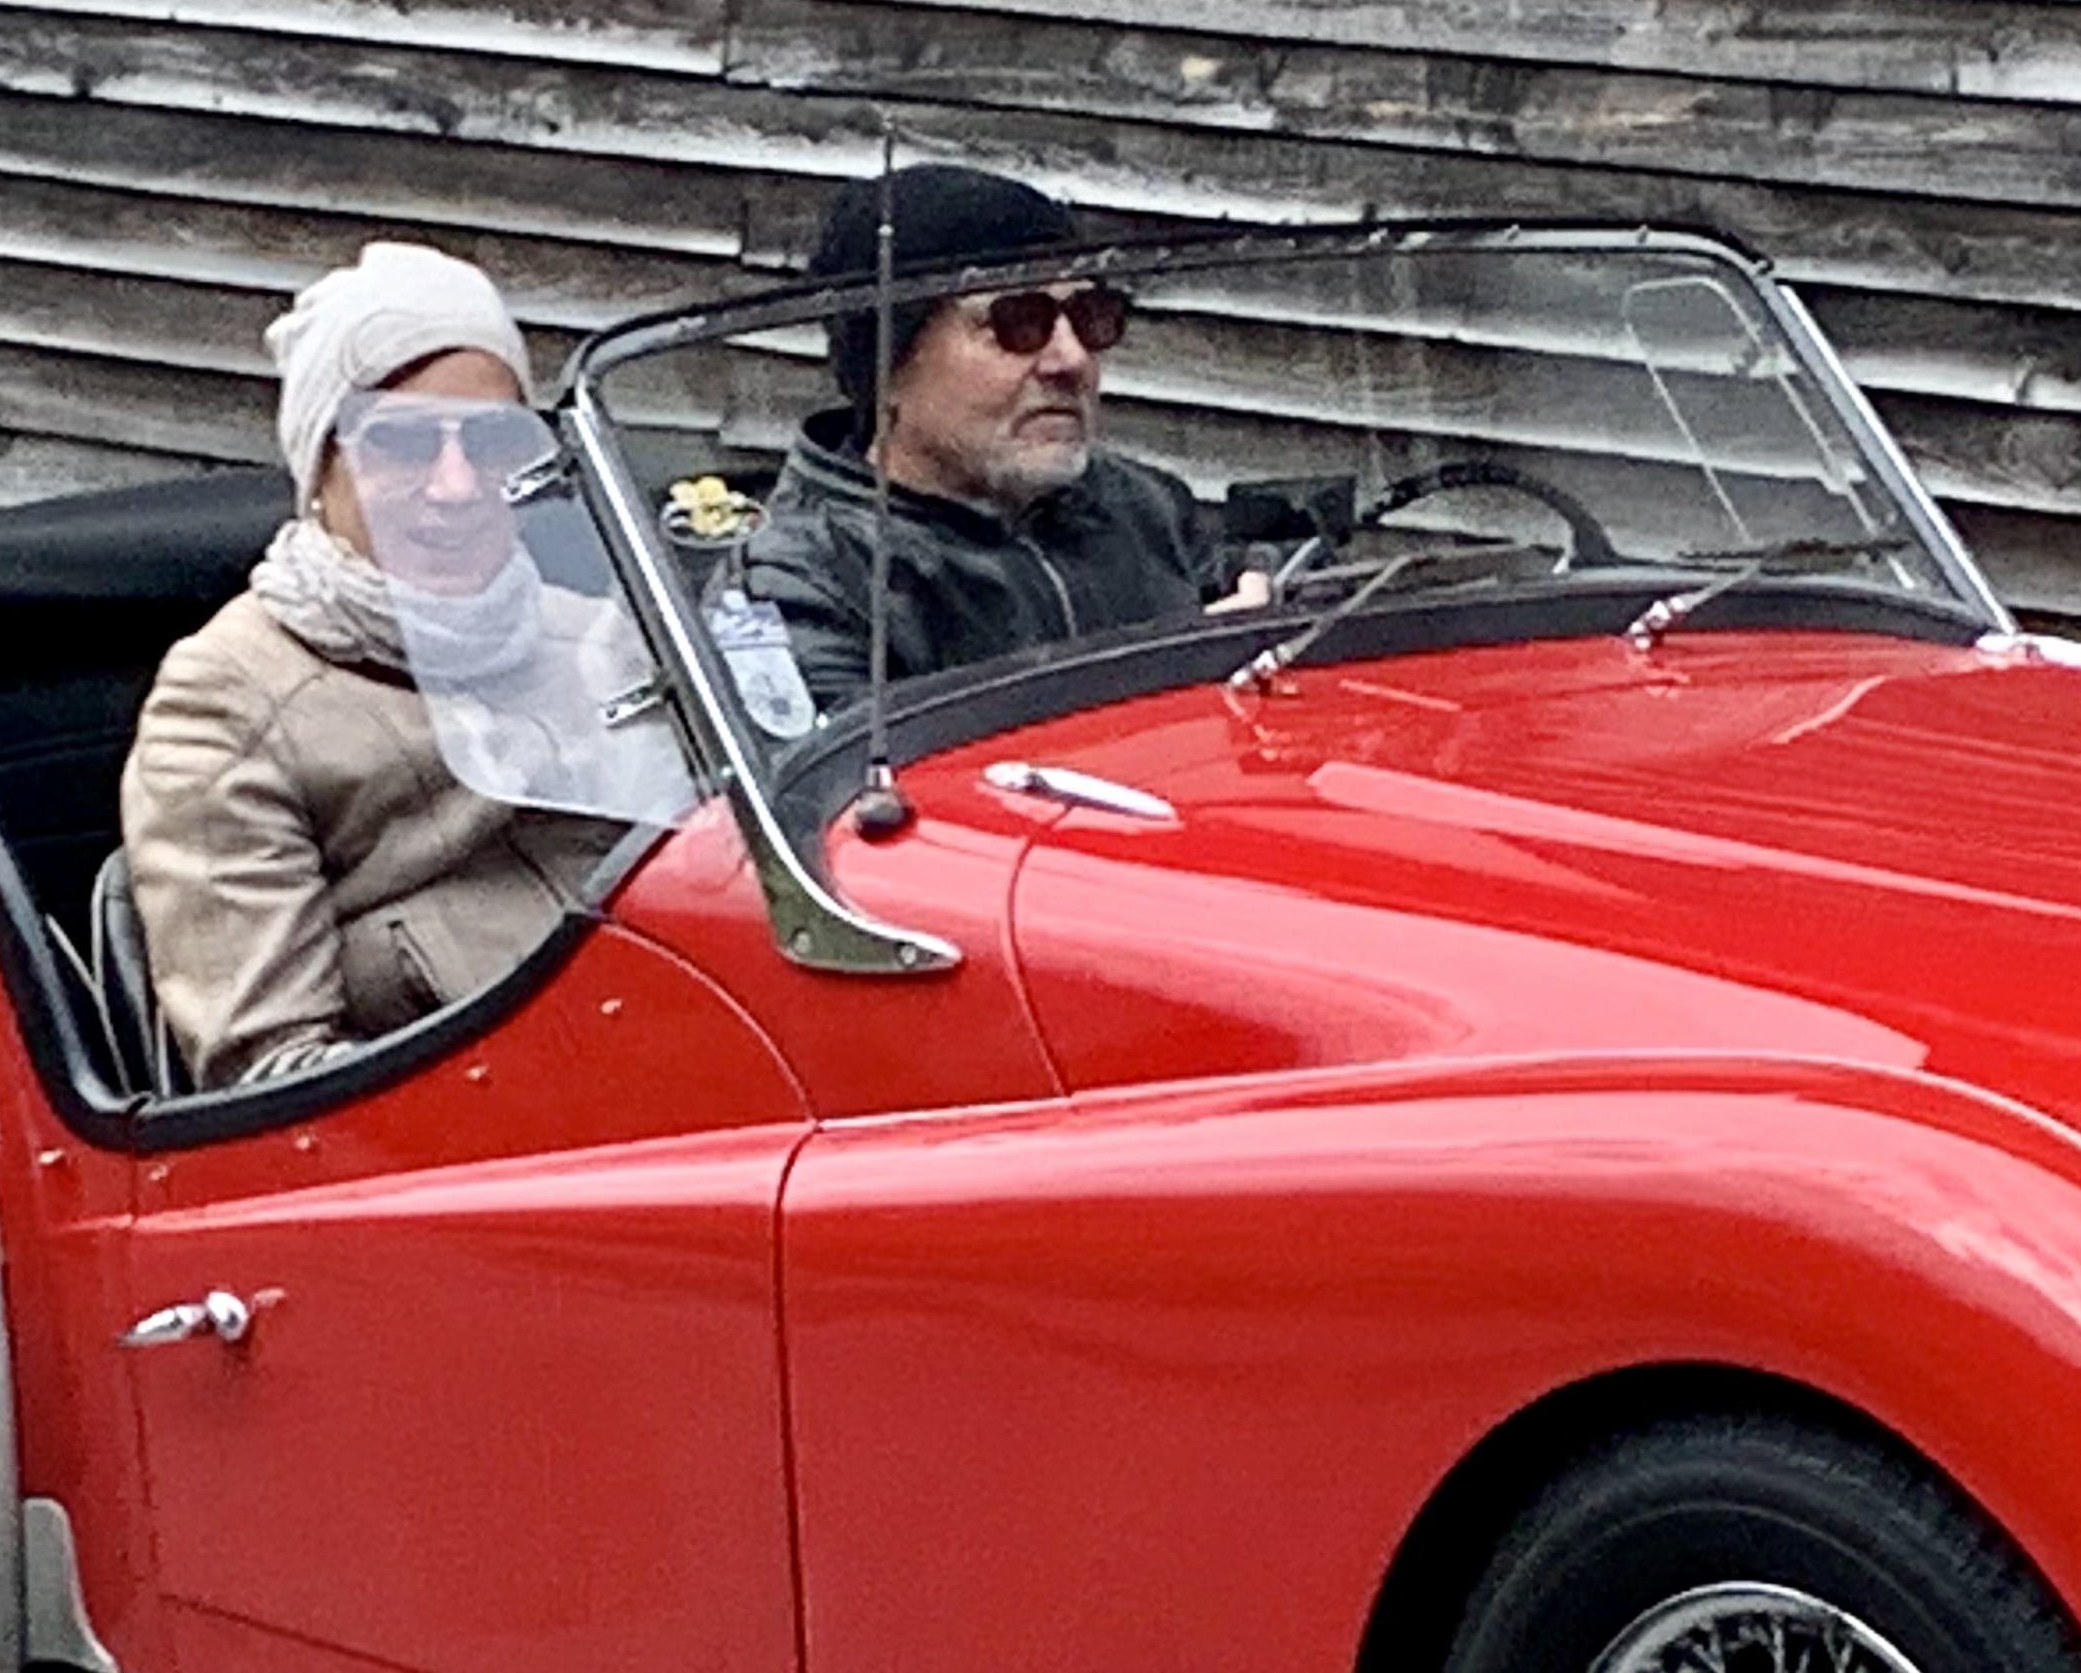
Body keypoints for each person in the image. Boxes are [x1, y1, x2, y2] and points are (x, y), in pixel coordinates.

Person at [120, 243, 627, 1091]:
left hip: (689, 1073)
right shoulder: (222, 701)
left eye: (492, 441)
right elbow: (273, 1073)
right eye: (405, 443)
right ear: (320, 465)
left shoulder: (598, 638)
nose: (457, 484)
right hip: (464, 1133)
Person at [739, 164, 1260, 709]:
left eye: (1091, 316)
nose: (1071, 359)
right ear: (887, 365)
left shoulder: (1145, 506)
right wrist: (1174, 680)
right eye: (1019, 323)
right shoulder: (798, 583)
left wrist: (1264, 606)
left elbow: (1235, 593)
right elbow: (857, 759)